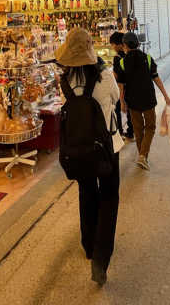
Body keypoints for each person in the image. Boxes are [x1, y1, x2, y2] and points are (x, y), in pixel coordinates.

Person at [55, 28, 123, 286]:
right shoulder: (105, 76)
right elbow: (116, 98)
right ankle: (100, 259)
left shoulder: (66, 81)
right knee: (108, 198)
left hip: (78, 149)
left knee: (86, 193)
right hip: (107, 148)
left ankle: (88, 245)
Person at [115, 32, 170, 171]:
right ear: (139, 44)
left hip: (132, 101)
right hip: (148, 99)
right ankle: (142, 156)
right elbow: (156, 78)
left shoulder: (121, 62)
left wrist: (122, 102)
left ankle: (142, 156)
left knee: (138, 129)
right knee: (150, 127)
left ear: (124, 46)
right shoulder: (147, 58)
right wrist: (165, 95)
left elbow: (121, 85)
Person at [109, 32, 133, 141]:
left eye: (113, 44)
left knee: (117, 109)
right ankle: (131, 132)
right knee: (130, 110)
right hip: (130, 86)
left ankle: (119, 133)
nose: (112, 47)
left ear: (118, 44)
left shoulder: (117, 57)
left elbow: (116, 75)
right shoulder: (128, 53)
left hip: (120, 87)